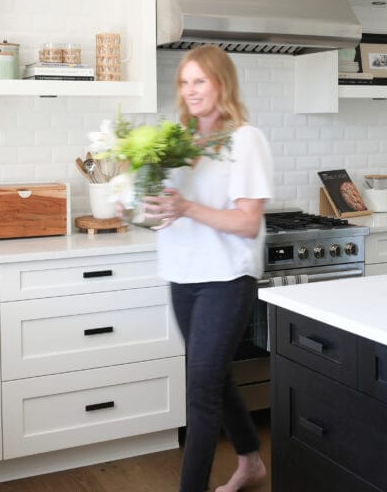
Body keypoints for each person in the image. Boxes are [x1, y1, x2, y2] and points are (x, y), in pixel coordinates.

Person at [143, 45, 272, 492]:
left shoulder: (244, 139)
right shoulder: (177, 141)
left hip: (226, 279)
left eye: (200, 80)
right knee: (213, 378)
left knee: (199, 391)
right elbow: (169, 210)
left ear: (221, 83)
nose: (191, 90)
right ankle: (251, 461)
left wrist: (187, 207)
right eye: (184, 81)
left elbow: (247, 221)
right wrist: (146, 207)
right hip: (182, 274)